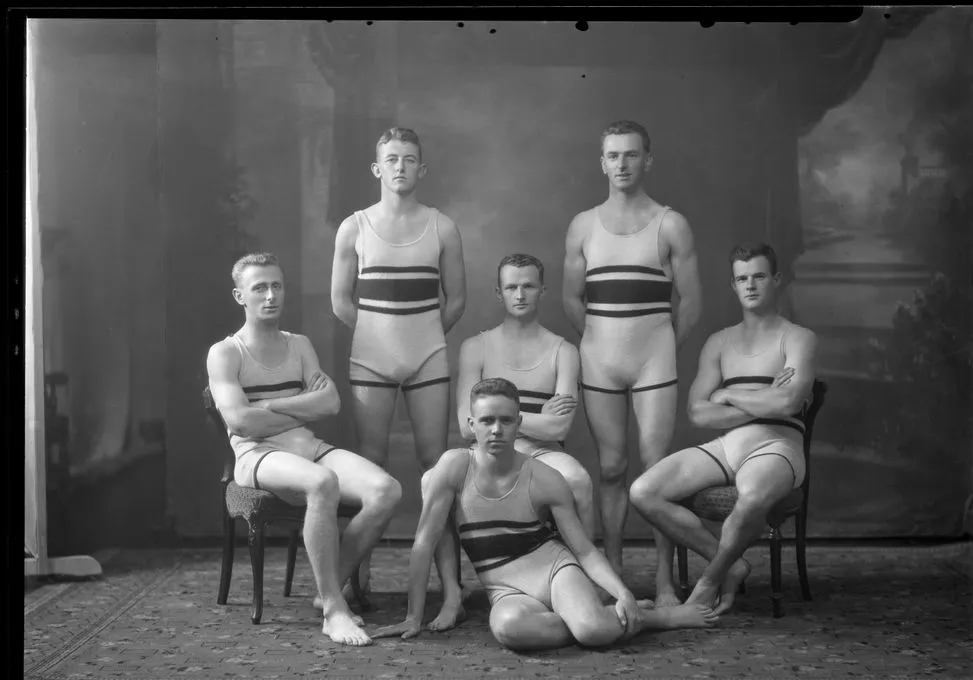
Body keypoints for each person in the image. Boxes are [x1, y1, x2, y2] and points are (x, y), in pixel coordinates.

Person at [372, 378, 719, 650]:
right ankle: (599, 616)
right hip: (506, 589)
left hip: (554, 571)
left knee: (593, 632)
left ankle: (650, 617)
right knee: (507, 629)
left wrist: (622, 591)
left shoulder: (544, 477)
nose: (496, 429)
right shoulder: (454, 468)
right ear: (471, 424)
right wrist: (412, 617)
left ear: (519, 422)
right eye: (487, 420)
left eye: (506, 421)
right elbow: (423, 544)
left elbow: (583, 549)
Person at [206, 252, 402, 646]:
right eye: (259, 288)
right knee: (322, 482)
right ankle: (333, 609)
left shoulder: (299, 345)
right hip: (257, 456)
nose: (270, 295)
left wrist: (269, 406)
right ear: (239, 296)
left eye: (276, 285)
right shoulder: (226, 352)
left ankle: (327, 583)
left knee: (386, 491)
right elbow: (241, 423)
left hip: (308, 447)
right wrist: (298, 407)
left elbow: (330, 404)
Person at [629, 243, 818, 616]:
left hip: (778, 445)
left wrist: (728, 393)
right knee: (643, 491)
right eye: (742, 278)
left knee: (750, 496)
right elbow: (698, 413)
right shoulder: (719, 341)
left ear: (776, 280)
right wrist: (763, 396)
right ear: (733, 286)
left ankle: (708, 583)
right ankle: (732, 564)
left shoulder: (797, 338)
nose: (750, 285)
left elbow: (788, 404)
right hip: (725, 446)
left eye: (759, 276)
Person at [330, 127, 467, 631]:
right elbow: (341, 301)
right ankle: (355, 584)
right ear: (377, 168)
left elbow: (456, 300)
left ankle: (450, 590)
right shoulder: (354, 227)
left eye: (410, 159)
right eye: (392, 159)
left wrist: (421, 336)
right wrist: (378, 338)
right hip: (371, 359)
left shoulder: (442, 227)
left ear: (422, 169)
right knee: (373, 469)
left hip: (428, 356)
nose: (401, 167)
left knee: (438, 469)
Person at [562, 120, 702, 607]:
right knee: (613, 468)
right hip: (600, 361)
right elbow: (571, 299)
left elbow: (691, 303)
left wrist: (658, 347)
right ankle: (614, 576)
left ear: (648, 160)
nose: (621, 164)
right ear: (601, 162)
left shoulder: (670, 223)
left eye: (631, 155)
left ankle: (665, 582)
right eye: (613, 156)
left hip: (653, 365)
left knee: (655, 473)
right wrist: (601, 344)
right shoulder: (583, 225)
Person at [455, 253, 596, 539]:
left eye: (529, 286)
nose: (519, 295)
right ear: (499, 293)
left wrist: (492, 417)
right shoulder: (475, 348)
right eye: (510, 287)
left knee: (579, 480)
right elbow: (464, 425)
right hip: (486, 453)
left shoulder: (564, 352)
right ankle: (451, 582)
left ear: (542, 291)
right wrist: (535, 419)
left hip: (544, 452)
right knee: (437, 481)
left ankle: (584, 572)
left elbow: (558, 427)